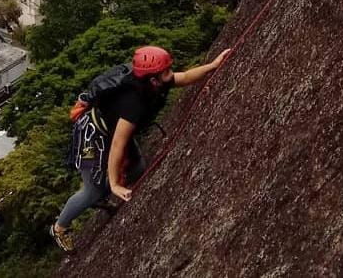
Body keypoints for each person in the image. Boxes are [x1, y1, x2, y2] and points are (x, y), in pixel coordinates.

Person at [51, 44, 230, 252]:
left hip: (111, 129)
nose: (170, 74)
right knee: (93, 190)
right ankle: (59, 227)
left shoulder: (153, 83)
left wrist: (213, 65)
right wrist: (116, 185)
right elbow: (118, 144)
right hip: (92, 134)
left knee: (137, 168)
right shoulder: (133, 103)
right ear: (152, 78)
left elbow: (185, 77)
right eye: (165, 71)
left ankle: (100, 194)